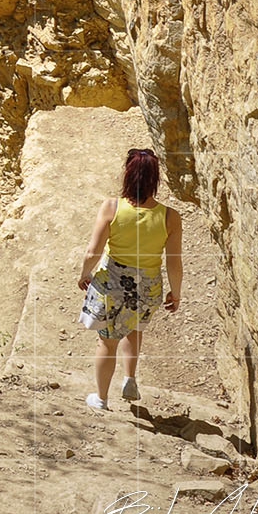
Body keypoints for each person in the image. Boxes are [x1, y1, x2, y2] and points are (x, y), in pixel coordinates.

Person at [77, 147, 182, 410]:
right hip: (148, 288)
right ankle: (130, 378)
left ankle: (100, 398)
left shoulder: (112, 207)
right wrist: (175, 292)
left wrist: (84, 274)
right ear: (155, 179)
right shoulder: (170, 216)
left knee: (107, 340)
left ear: (128, 175)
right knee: (134, 328)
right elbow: (173, 260)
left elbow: (93, 251)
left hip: (113, 285)